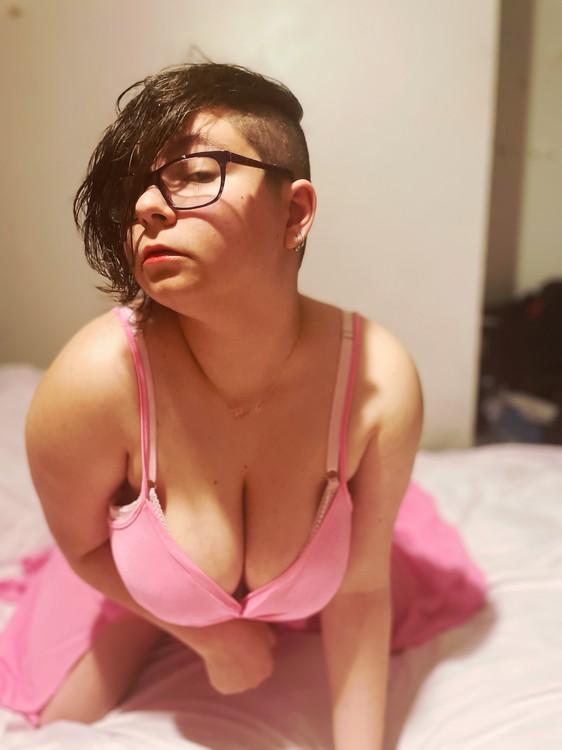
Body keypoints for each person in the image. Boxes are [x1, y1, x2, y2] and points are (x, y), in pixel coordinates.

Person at [0, 63, 486, 749]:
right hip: (131, 575)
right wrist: (210, 636)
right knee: (61, 715)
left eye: (195, 173)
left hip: (316, 572)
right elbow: (82, 545)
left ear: (294, 213)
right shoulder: (92, 381)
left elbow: (359, 589)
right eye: (135, 188)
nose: (146, 208)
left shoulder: (378, 379)